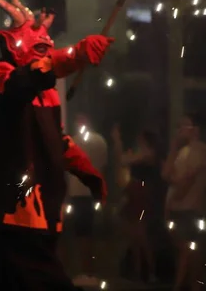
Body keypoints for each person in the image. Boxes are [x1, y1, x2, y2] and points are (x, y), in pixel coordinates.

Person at [0, 0, 110, 290]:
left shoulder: (46, 92)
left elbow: (54, 141)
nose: (44, 41)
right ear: (11, 43)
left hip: (37, 215)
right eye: (33, 36)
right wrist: (75, 56)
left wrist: (87, 172)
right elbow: (24, 81)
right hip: (8, 214)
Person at [162, 113, 206, 291]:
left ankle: (180, 286)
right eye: (178, 126)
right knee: (184, 251)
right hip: (177, 208)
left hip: (189, 209)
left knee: (187, 251)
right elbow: (166, 174)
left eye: (184, 126)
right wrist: (173, 147)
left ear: (195, 129)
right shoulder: (182, 151)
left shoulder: (199, 150)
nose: (180, 130)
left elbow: (188, 181)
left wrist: (176, 195)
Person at [112, 126, 159, 283]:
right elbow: (122, 160)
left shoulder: (149, 153)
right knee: (134, 235)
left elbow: (126, 160)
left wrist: (118, 142)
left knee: (141, 234)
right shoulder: (140, 153)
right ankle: (138, 271)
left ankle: (150, 271)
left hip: (142, 193)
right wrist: (118, 142)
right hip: (134, 191)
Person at [66, 114, 108, 286]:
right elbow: (103, 166)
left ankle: (86, 272)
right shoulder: (100, 141)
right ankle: (91, 271)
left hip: (79, 192)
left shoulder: (74, 141)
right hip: (92, 192)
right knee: (89, 232)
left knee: (82, 234)